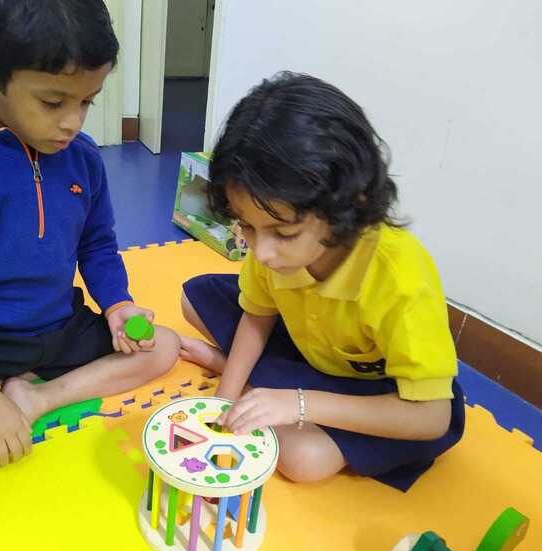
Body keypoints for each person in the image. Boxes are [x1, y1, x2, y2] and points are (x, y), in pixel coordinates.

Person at [0, 0, 179, 493]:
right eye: (52, 103)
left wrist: (117, 304)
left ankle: (37, 398)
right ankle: (2, 390)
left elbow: (97, 244)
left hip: (56, 326)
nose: (73, 123)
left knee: (164, 347)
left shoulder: (82, 158)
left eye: (87, 102)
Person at [180, 72, 463, 491]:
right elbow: (257, 316)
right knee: (193, 298)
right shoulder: (272, 245)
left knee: (304, 460)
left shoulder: (399, 275)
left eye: (283, 233)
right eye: (248, 227)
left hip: (379, 392)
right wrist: (224, 398)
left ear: (346, 205)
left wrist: (298, 404)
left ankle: (267, 391)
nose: (262, 252)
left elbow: (432, 417)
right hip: (309, 351)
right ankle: (261, 390)